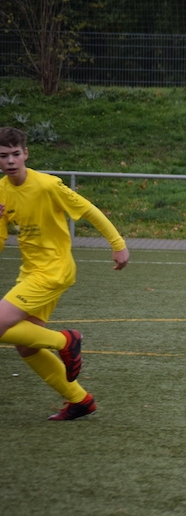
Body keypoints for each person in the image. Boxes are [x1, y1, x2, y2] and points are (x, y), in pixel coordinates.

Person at [0, 126, 130, 420]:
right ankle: (80, 401)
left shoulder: (47, 185)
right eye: (3, 156)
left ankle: (65, 341)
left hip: (54, 269)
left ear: (26, 154)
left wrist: (118, 244)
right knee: (26, 346)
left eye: (15, 154)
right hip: (30, 272)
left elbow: (88, 210)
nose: (10, 161)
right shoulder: (2, 191)